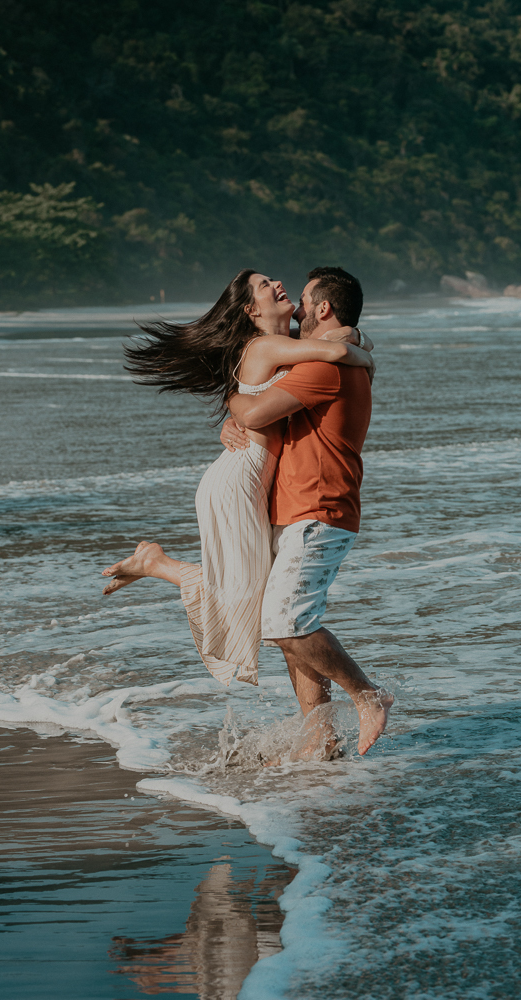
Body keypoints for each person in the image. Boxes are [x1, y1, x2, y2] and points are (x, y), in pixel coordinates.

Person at [101, 268, 373, 692]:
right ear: (250, 310)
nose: (280, 287)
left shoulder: (289, 349)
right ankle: (156, 564)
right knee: (248, 598)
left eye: (287, 289)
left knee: (255, 597)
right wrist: (359, 349)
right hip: (241, 479)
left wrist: (355, 338)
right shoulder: (271, 346)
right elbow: (332, 354)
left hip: (255, 477)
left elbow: (308, 364)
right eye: (266, 285)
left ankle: (318, 728)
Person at [220, 267, 393, 756]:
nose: (295, 308)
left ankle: (367, 694)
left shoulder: (324, 368)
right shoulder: (322, 357)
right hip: (300, 510)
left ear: (323, 308)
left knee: (285, 623)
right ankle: (322, 738)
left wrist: (231, 399)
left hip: (318, 511)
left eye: (303, 300)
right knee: (290, 625)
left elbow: (254, 411)